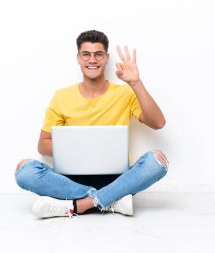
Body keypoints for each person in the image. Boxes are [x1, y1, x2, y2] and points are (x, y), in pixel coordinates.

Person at [15, 30, 169, 218]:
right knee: (24, 170)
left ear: (106, 58)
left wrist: (135, 83)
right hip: (70, 180)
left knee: (157, 161)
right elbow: (43, 145)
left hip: (117, 178)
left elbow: (158, 122)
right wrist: (80, 148)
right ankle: (110, 200)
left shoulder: (125, 93)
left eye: (98, 54)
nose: (92, 60)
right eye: (86, 54)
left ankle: (79, 205)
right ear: (78, 58)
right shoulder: (61, 96)